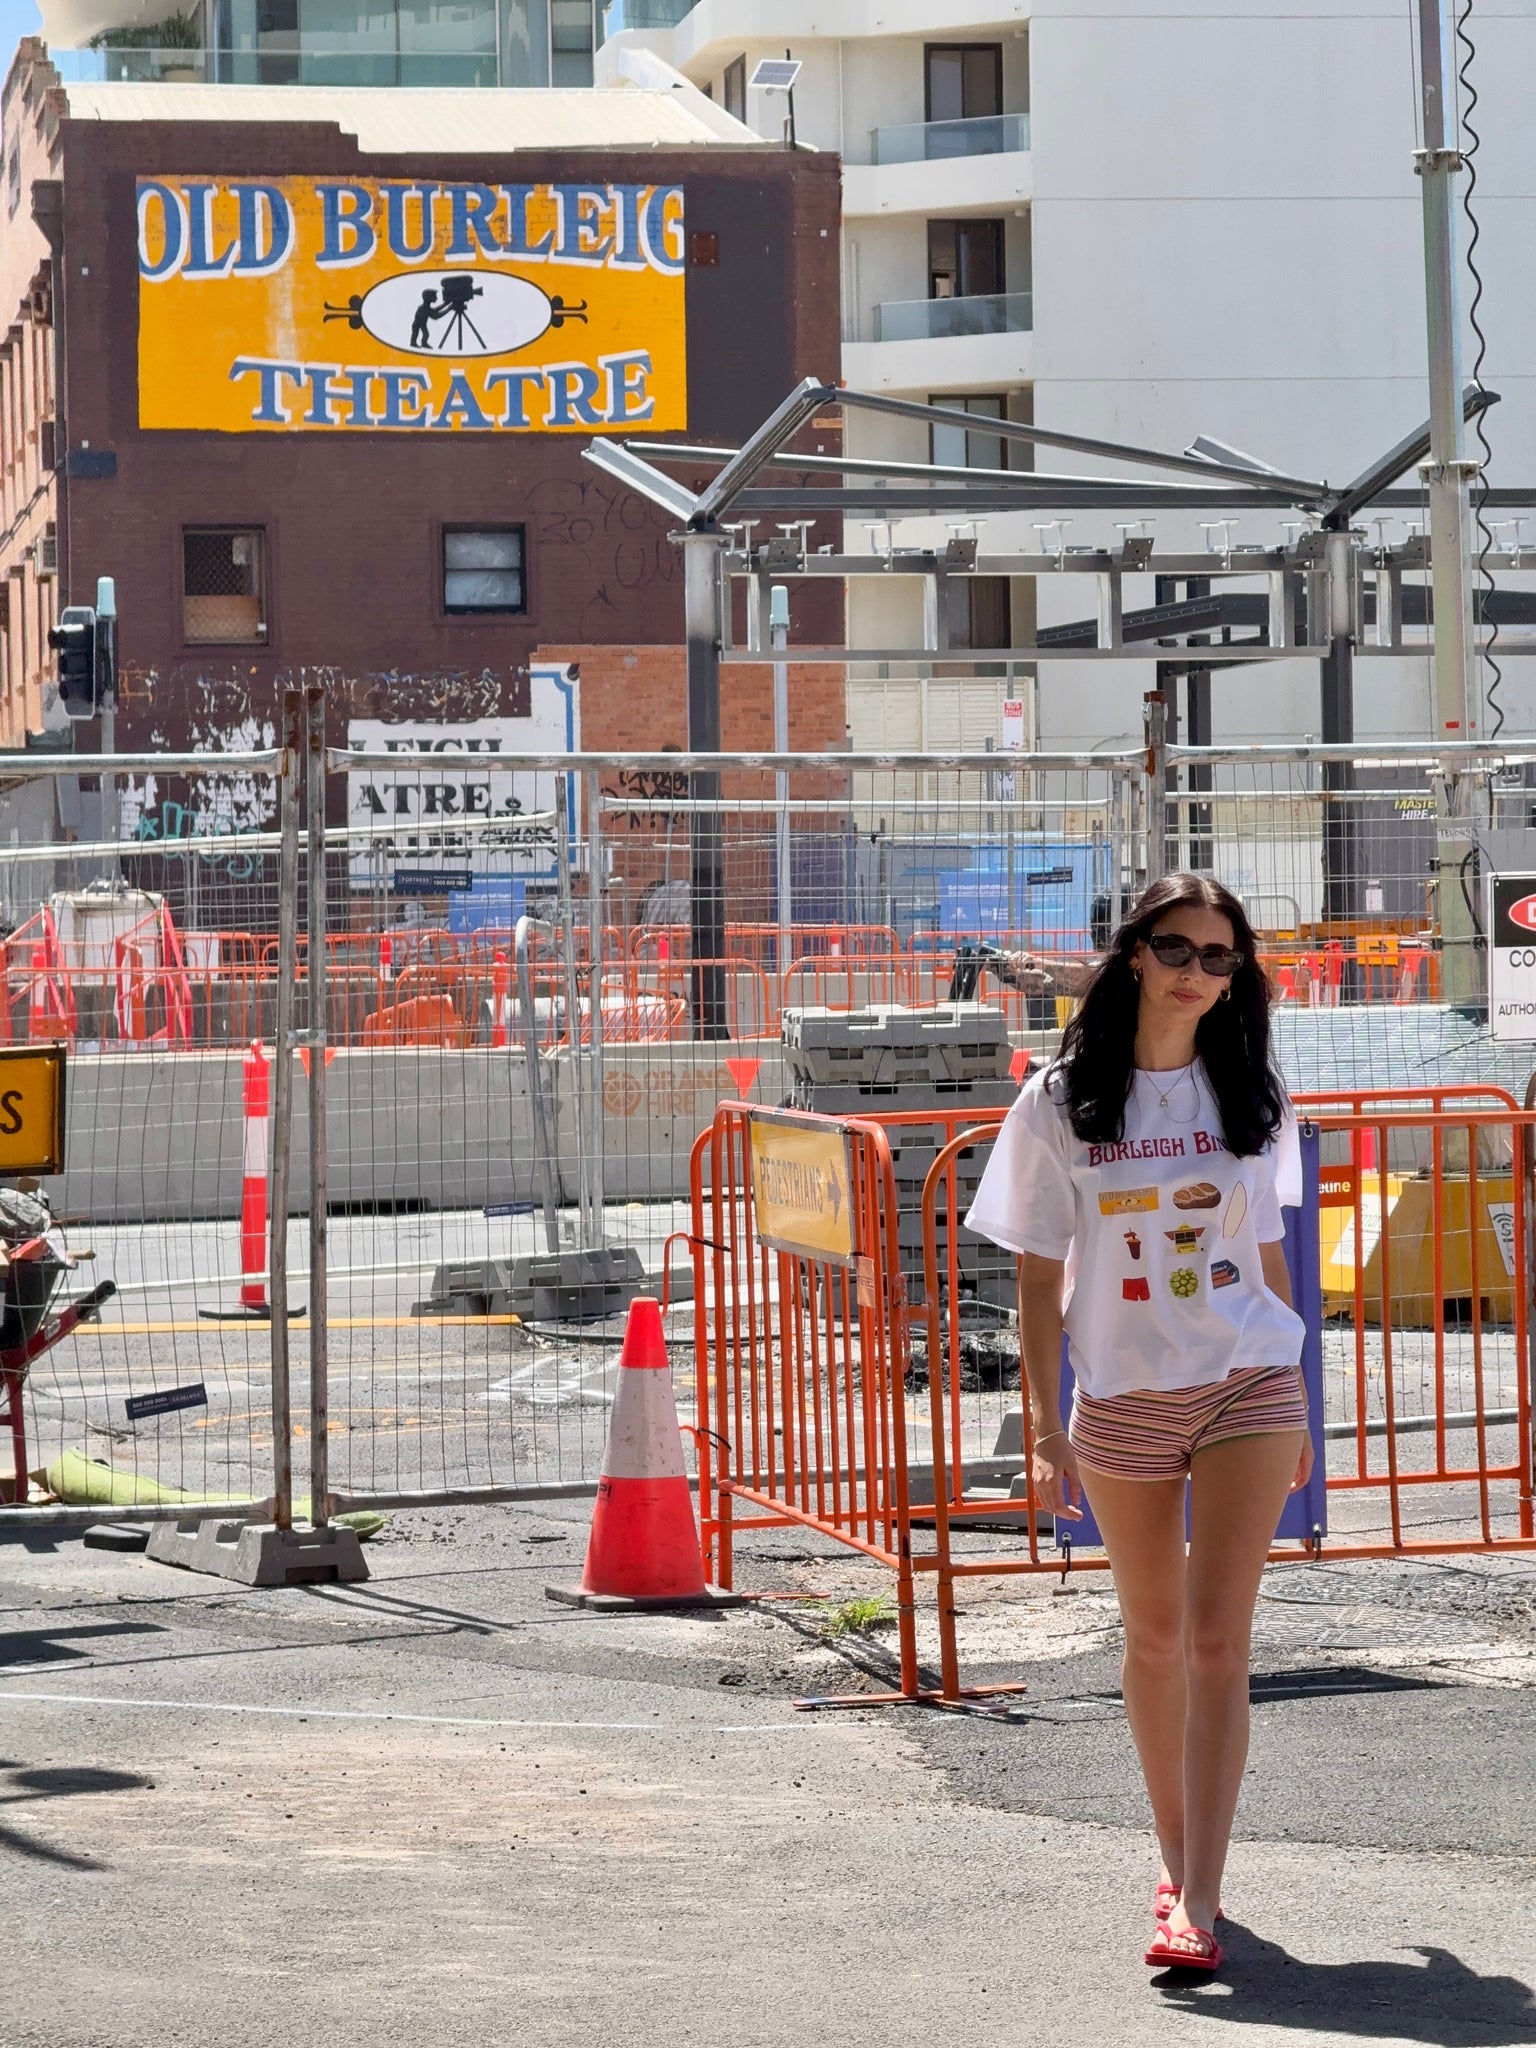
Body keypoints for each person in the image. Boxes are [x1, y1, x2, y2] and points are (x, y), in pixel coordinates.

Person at [966, 871, 1309, 1976]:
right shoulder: (1061, 1099)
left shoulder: (1252, 1089)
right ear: (1132, 954)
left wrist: (1302, 1395)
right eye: (1178, 949)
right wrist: (1043, 1418)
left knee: (1219, 1641)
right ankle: (1172, 1860)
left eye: (1221, 957)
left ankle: (1200, 1896)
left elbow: (1266, 1260)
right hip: (1118, 1401)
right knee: (1155, 1638)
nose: (1199, 974)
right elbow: (1035, 1271)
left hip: (1249, 1380)